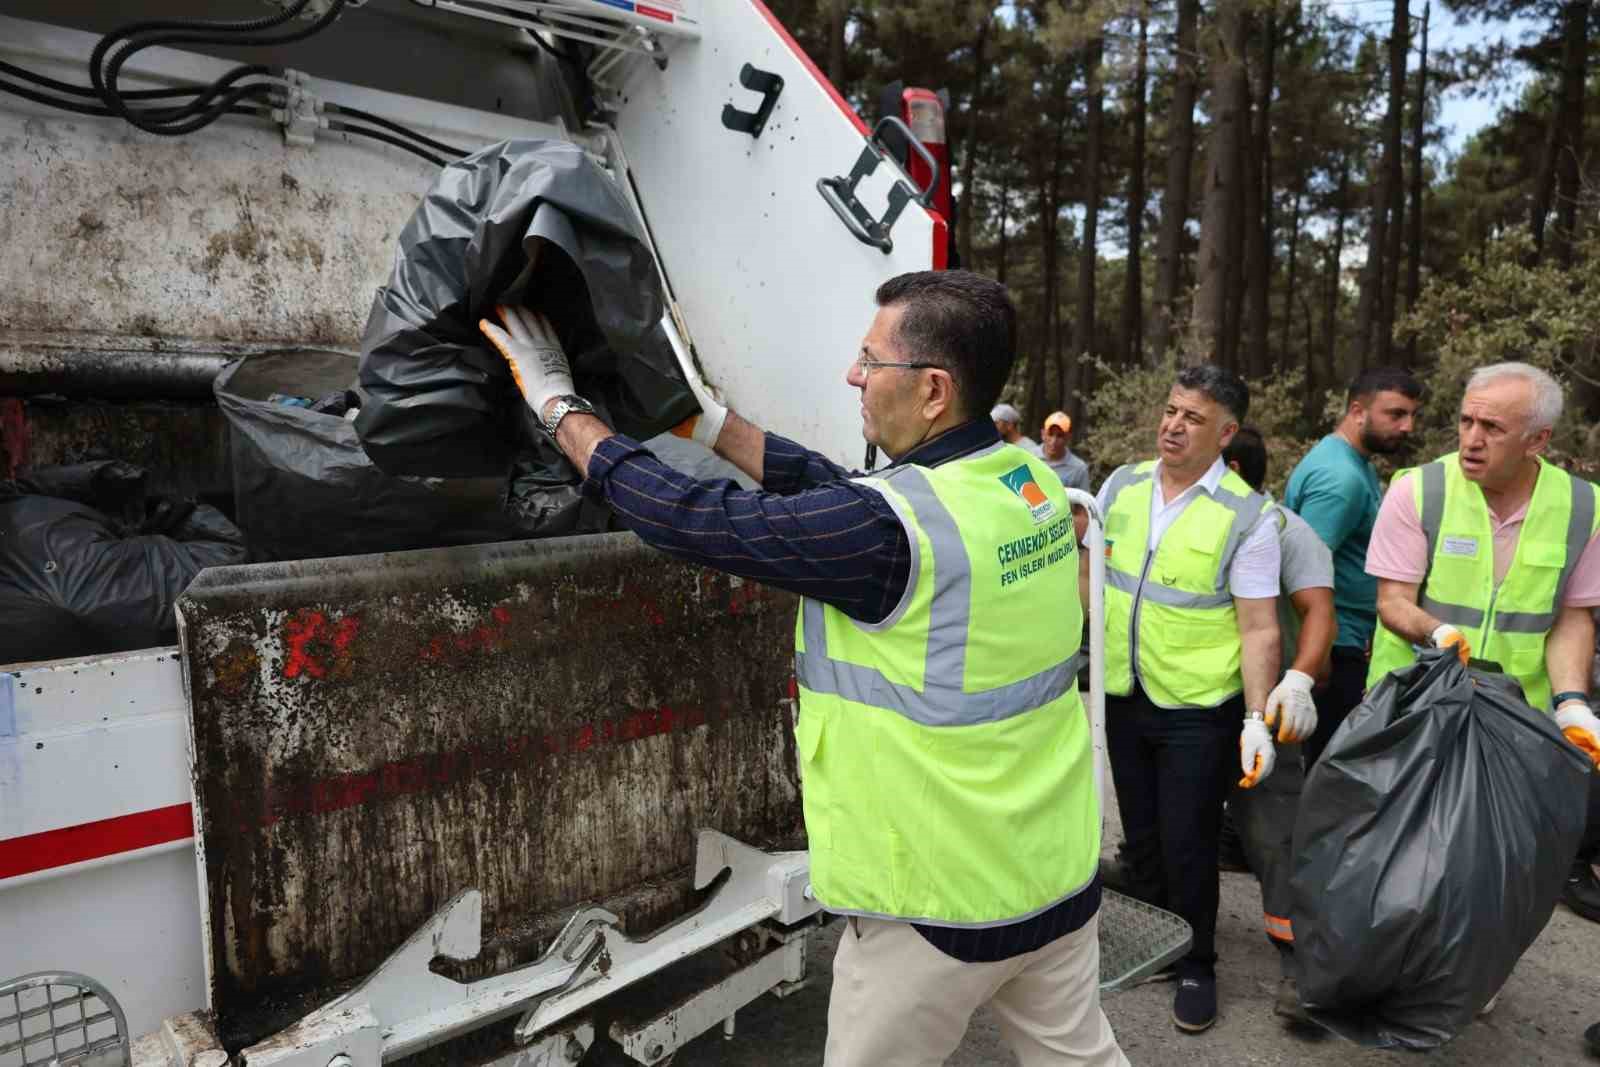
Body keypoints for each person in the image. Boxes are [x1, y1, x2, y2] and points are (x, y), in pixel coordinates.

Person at [479, 271, 1127, 1066]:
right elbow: (850, 494)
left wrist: (561, 410)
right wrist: (710, 423)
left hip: (935, 914)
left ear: (932, 390)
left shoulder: (893, 533)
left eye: (869, 358)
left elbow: (691, 521)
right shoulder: (1022, 484)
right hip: (1055, 881)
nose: (853, 375)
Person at [1094, 364, 1282, 1034]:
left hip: (1200, 708)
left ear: (1226, 432)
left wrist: (1258, 718)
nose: (1173, 425)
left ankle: (1198, 961)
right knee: (1141, 835)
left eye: (1193, 417)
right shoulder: (1120, 485)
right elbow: (1093, 578)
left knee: (1189, 840)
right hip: (1123, 691)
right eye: (1171, 410)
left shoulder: (1246, 515)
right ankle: (1157, 943)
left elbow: (1260, 626)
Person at [1365, 361, 1600, 759]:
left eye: (1492, 428)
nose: (1471, 440)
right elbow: (1392, 601)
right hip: (1411, 708)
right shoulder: (1419, 491)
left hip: (1519, 719)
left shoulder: (1585, 507)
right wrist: (1438, 634)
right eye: (1466, 421)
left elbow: (1571, 616)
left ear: (1537, 440)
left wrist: (1572, 703)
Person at [1219, 427, 1336, 1026]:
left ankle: (1301, 969)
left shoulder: (1290, 530)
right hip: (1191, 702)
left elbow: (1319, 614)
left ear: (1232, 465)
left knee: (1275, 831)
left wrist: (1298, 681)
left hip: (1263, 708)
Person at [1282, 367, 1421, 767]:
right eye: (1395, 414)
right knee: (1331, 765)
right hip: (1336, 647)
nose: (1407, 426)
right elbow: (1304, 568)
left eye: (1411, 415)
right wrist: (1317, 654)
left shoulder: (1352, 461)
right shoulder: (1340, 477)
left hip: (1343, 639)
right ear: (1358, 411)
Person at [1039, 411, 1092, 492]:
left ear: (1068, 437)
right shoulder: (1027, 456)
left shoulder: (1079, 468)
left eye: (1060, 436)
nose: (1054, 441)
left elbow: (1083, 502)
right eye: (1050, 434)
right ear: (1043, 434)